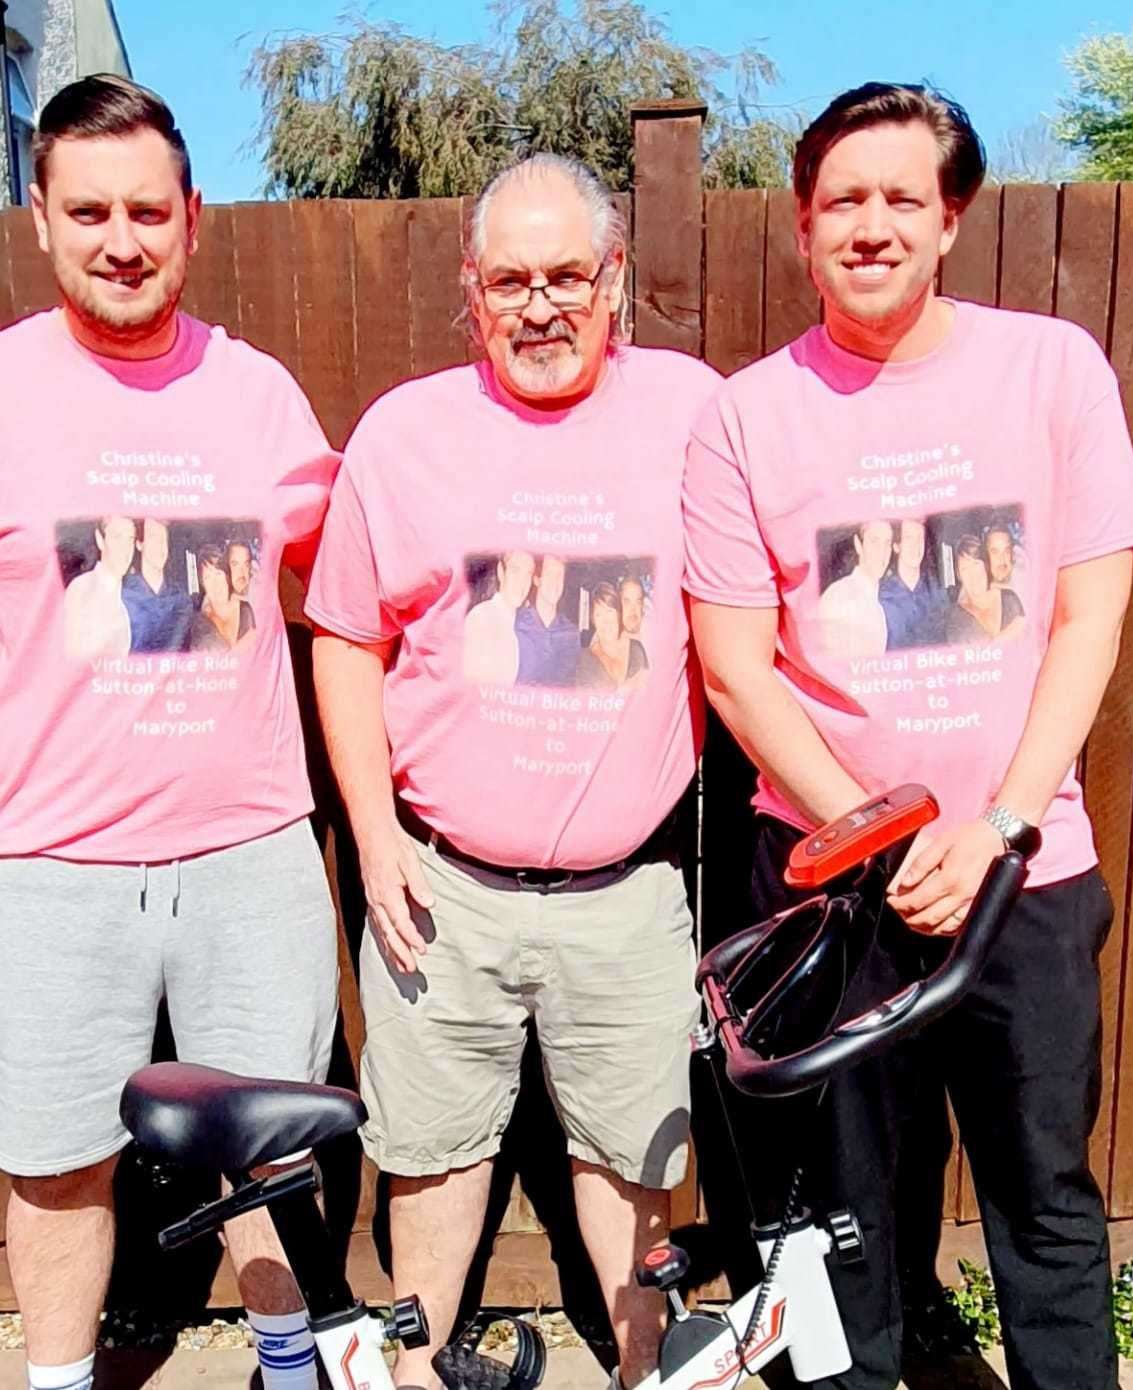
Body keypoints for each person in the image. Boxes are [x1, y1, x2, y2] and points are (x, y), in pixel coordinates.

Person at [0, 76, 342, 1390]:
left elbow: (355, 592)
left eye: (147, 209)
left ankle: (289, 1365)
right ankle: (60, 1379)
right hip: (54, 866)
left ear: (192, 219)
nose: (121, 238)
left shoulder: (259, 396)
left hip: (250, 853)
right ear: (41, 219)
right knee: (57, 1153)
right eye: (90, 210)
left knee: (274, 1149)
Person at [682, 82, 1133, 1390]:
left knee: (1047, 1196)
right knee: (847, 1223)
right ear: (801, 224)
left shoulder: (1052, 369)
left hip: (1028, 875)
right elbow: (735, 668)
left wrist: (999, 818)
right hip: (840, 896)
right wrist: (881, 837)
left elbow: (1091, 614)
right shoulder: (744, 417)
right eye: (844, 199)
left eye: (902, 196)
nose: (871, 224)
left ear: (950, 216)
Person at [305, 152, 720, 1390]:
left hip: (628, 889)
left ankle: (648, 1368)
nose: (540, 306)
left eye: (567, 276)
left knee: (637, 1154)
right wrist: (374, 842)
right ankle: (417, 1369)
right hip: (442, 882)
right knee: (429, 1152)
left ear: (616, 280)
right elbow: (344, 639)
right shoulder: (406, 432)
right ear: (471, 293)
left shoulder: (697, 413)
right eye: (510, 281)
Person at [61, 515, 135, 659]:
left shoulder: (123, 607)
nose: (126, 549)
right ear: (100, 540)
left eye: (130, 539)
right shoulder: (82, 589)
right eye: (117, 537)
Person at [818, 519, 893, 657]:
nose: (882, 552)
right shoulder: (838, 596)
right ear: (858, 545)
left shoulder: (878, 609)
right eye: (874, 541)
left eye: (887, 543)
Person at [121, 517, 193, 652]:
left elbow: (177, 651)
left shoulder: (181, 600)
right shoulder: (122, 595)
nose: (160, 546)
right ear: (139, 544)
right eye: (153, 538)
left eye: (163, 539)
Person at [462, 549, 534, 684]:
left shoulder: (521, 625)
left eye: (528, 574)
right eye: (515, 570)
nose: (522, 582)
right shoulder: (481, 619)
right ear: (501, 572)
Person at [945, 533, 1024, 644]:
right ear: (959, 575)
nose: (972, 574)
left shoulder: (1009, 598)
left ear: (986, 565)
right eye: (965, 569)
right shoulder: (956, 618)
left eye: (976, 565)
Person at [879, 517, 944, 650]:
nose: (915, 546)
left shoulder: (936, 591)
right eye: (909, 538)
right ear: (896, 546)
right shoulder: (882, 596)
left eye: (919, 538)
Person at [515, 553, 581, 685]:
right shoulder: (517, 624)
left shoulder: (572, 634)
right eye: (550, 574)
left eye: (559, 576)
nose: (555, 582)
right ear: (537, 580)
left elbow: (570, 685)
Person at [577, 580, 650, 691]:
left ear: (619, 615)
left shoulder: (636, 648)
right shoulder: (585, 659)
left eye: (610, 612)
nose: (606, 621)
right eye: (599, 615)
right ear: (593, 620)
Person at [189, 542, 258, 652]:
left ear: (227, 576)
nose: (215, 582)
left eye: (218, 574)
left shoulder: (244, 609)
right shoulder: (200, 621)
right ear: (203, 584)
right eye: (207, 578)